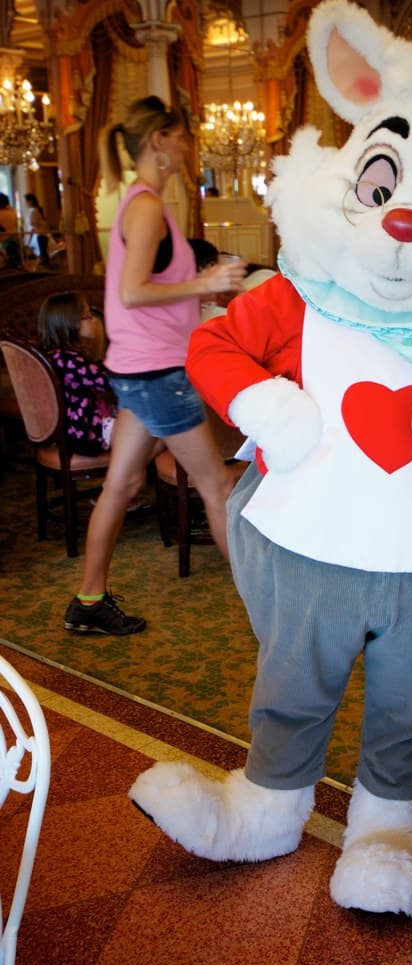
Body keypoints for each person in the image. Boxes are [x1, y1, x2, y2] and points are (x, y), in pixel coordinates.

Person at [63, 95, 246, 637]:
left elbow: (153, 292)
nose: (189, 145)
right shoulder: (143, 207)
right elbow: (131, 291)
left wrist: (196, 302)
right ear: (159, 142)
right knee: (217, 486)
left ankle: (89, 601)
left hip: (140, 369)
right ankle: (267, 612)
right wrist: (206, 284)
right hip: (157, 373)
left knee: (120, 485)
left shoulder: (147, 204)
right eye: (182, 136)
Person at [37, 290, 116, 455]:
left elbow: (96, 372)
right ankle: (129, 476)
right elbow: (107, 383)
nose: (94, 321)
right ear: (69, 324)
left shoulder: (60, 356)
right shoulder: (68, 359)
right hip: (86, 434)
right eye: (87, 316)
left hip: (80, 429)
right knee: (147, 425)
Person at [24, 192, 52, 269]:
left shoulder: (33, 212)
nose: (25, 203)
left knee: (42, 255)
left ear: (30, 201)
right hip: (43, 234)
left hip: (39, 235)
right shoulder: (38, 210)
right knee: (43, 254)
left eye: (26, 201)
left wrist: (29, 240)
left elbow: (33, 227)